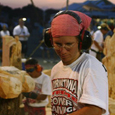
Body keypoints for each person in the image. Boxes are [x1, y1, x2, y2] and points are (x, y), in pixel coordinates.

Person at [43, 10, 109, 115]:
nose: (63, 50)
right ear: (50, 42)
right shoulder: (56, 69)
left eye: (69, 44)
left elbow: (95, 109)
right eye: (58, 44)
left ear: (81, 42)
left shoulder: (92, 67)